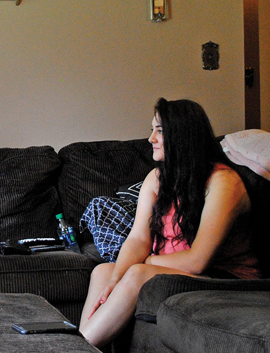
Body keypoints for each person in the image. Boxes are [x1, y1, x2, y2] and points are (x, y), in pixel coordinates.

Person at [78, 98, 257, 347]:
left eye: (159, 131)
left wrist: (146, 262)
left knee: (139, 272)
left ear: (183, 135)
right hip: (172, 270)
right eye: (152, 130)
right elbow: (139, 238)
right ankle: (78, 343)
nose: (151, 138)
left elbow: (197, 261)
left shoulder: (224, 182)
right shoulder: (157, 178)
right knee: (103, 271)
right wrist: (114, 279)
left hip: (224, 278)